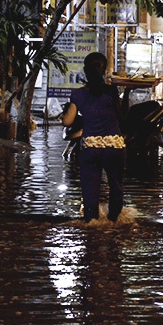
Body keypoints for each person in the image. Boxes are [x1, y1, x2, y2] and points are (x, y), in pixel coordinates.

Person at [61, 52, 130, 223]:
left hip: (90, 147)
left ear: (85, 70)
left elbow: (67, 121)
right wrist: (127, 92)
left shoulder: (78, 95)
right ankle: (114, 223)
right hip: (114, 147)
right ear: (104, 70)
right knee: (116, 187)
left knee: (90, 192)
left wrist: (66, 112)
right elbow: (123, 118)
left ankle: (92, 227)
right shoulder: (111, 91)